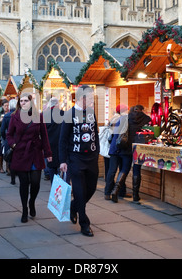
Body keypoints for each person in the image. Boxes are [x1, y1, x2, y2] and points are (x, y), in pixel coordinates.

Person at [59, 85, 99, 237]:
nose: (91, 100)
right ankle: (84, 224)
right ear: (83, 98)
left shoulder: (91, 113)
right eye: (90, 97)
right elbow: (63, 140)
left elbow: (95, 132)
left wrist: (97, 152)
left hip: (91, 158)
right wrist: (63, 161)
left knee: (92, 188)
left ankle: (73, 207)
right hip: (75, 159)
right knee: (80, 192)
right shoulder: (69, 115)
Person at [6, 93, 52, 223]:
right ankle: (25, 209)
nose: (24, 103)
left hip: (35, 153)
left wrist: (48, 153)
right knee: (24, 184)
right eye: (21, 101)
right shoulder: (14, 116)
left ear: (31, 102)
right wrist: (13, 144)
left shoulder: (38, 116)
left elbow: (44, 135)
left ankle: (32, 202)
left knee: (36, 182)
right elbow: (9, 134)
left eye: (26, 100)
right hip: (20, 153)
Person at [104, 104, 132, 203]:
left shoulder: (116, 118)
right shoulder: (121, 119)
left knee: (114, 171)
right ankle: (114, 192)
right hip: (118, 148)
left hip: (115, 148)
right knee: (117, 171)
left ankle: (109, 193)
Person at [128, 105, 151, 202]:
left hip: (128, 145)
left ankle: (119, 190)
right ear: (142, 110)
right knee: (137, 170)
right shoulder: (147, 118)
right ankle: (135, 195)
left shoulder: (128, 118)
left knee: (125, 168)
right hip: (140, 147)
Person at [43, 97, 64, 183]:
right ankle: (62, 184)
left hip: (50, 144)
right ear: (57, 104)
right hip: (61, 143)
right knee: (62, 166)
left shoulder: (45, 115)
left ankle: (54, 185)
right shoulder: (64, 114)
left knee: (51, 167)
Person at [0, 98, 17, 184]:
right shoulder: (20, 115)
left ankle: (12, 178)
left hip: (9, 140)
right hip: (18, 139)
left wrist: (5, 138)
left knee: (10, 159)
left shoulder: (6, 116)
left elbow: (2, 130)